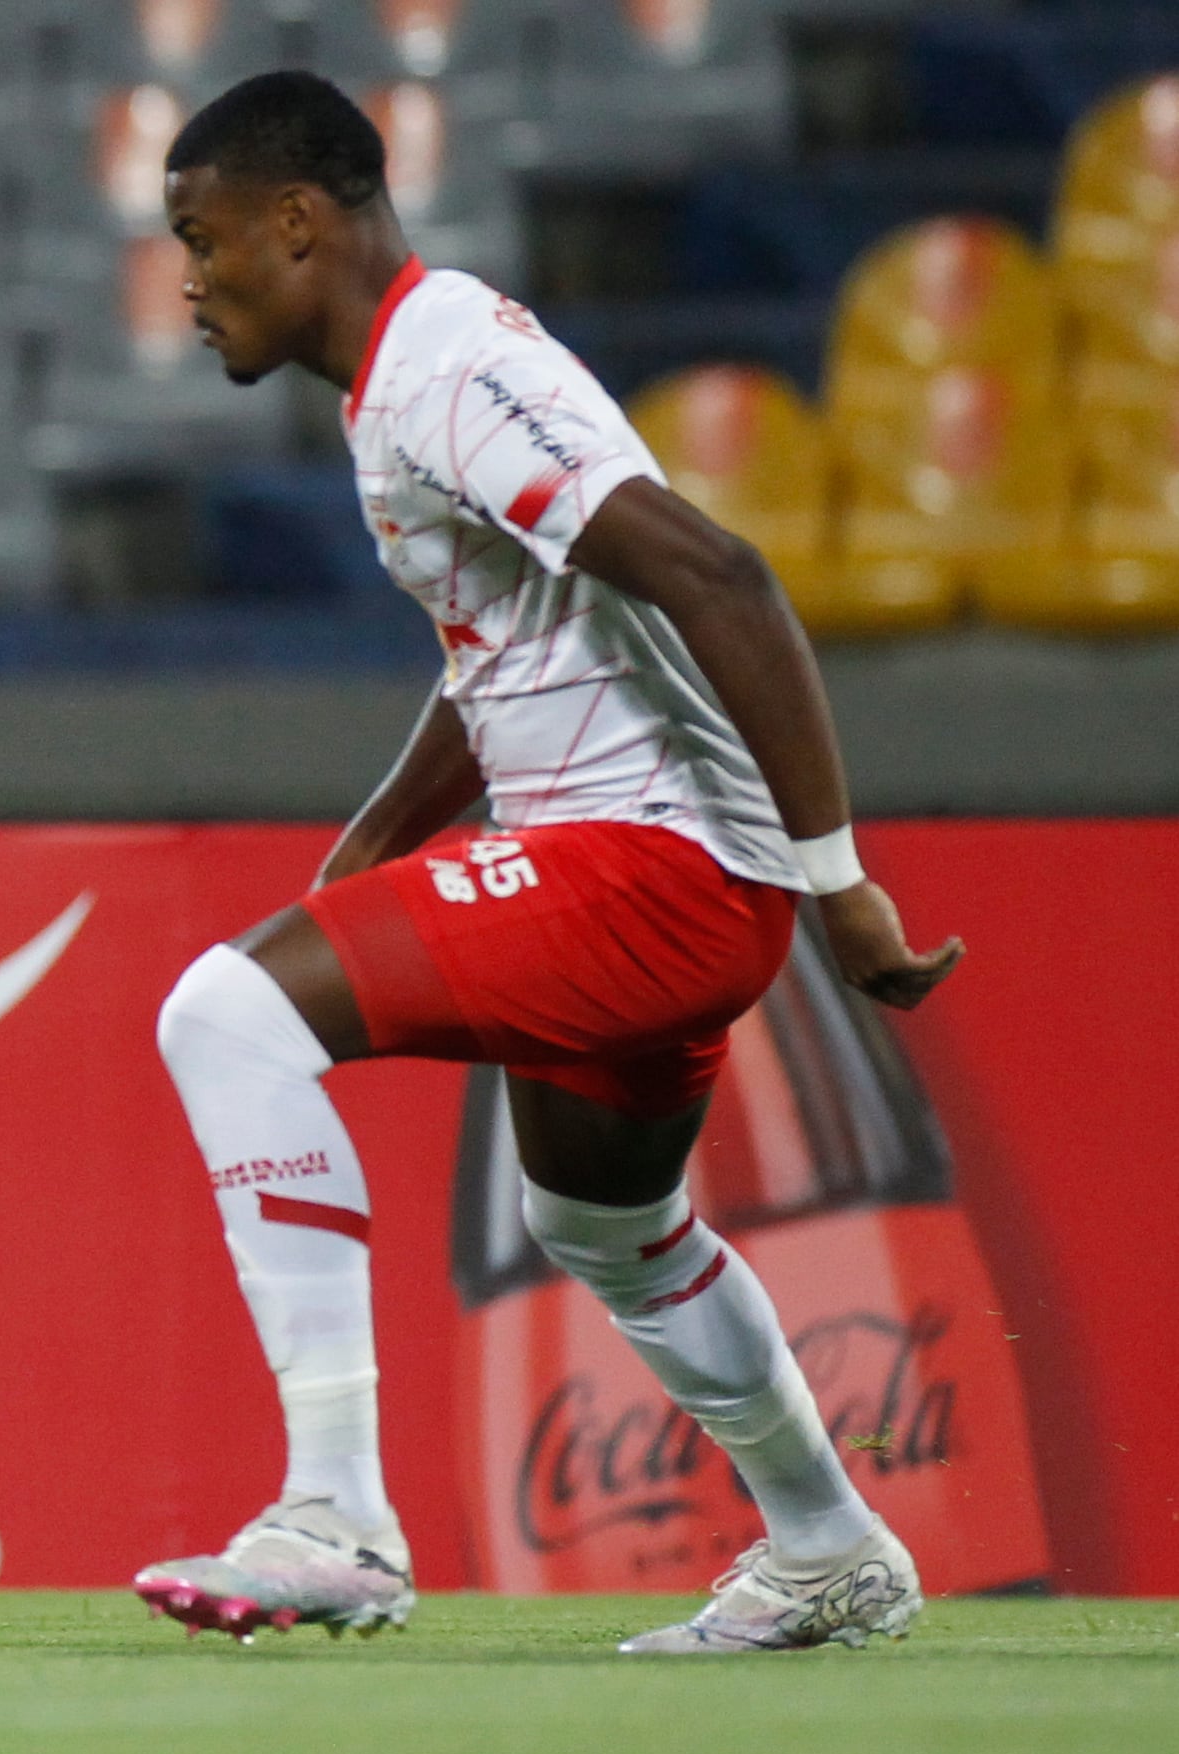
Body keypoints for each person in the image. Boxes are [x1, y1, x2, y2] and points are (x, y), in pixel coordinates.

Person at [134, 72, 962, 1654]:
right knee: (606, 1228)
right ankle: (826, 1544)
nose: (187, 280)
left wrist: (838, 877)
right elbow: (514, 647)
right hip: (654, 875)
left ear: (294, 222)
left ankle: (334, 1513)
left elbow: (719, 575)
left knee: (220, 1017)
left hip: (648, 871)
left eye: (199, 235)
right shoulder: (406, 378)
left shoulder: (446, 370)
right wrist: (382, 836)